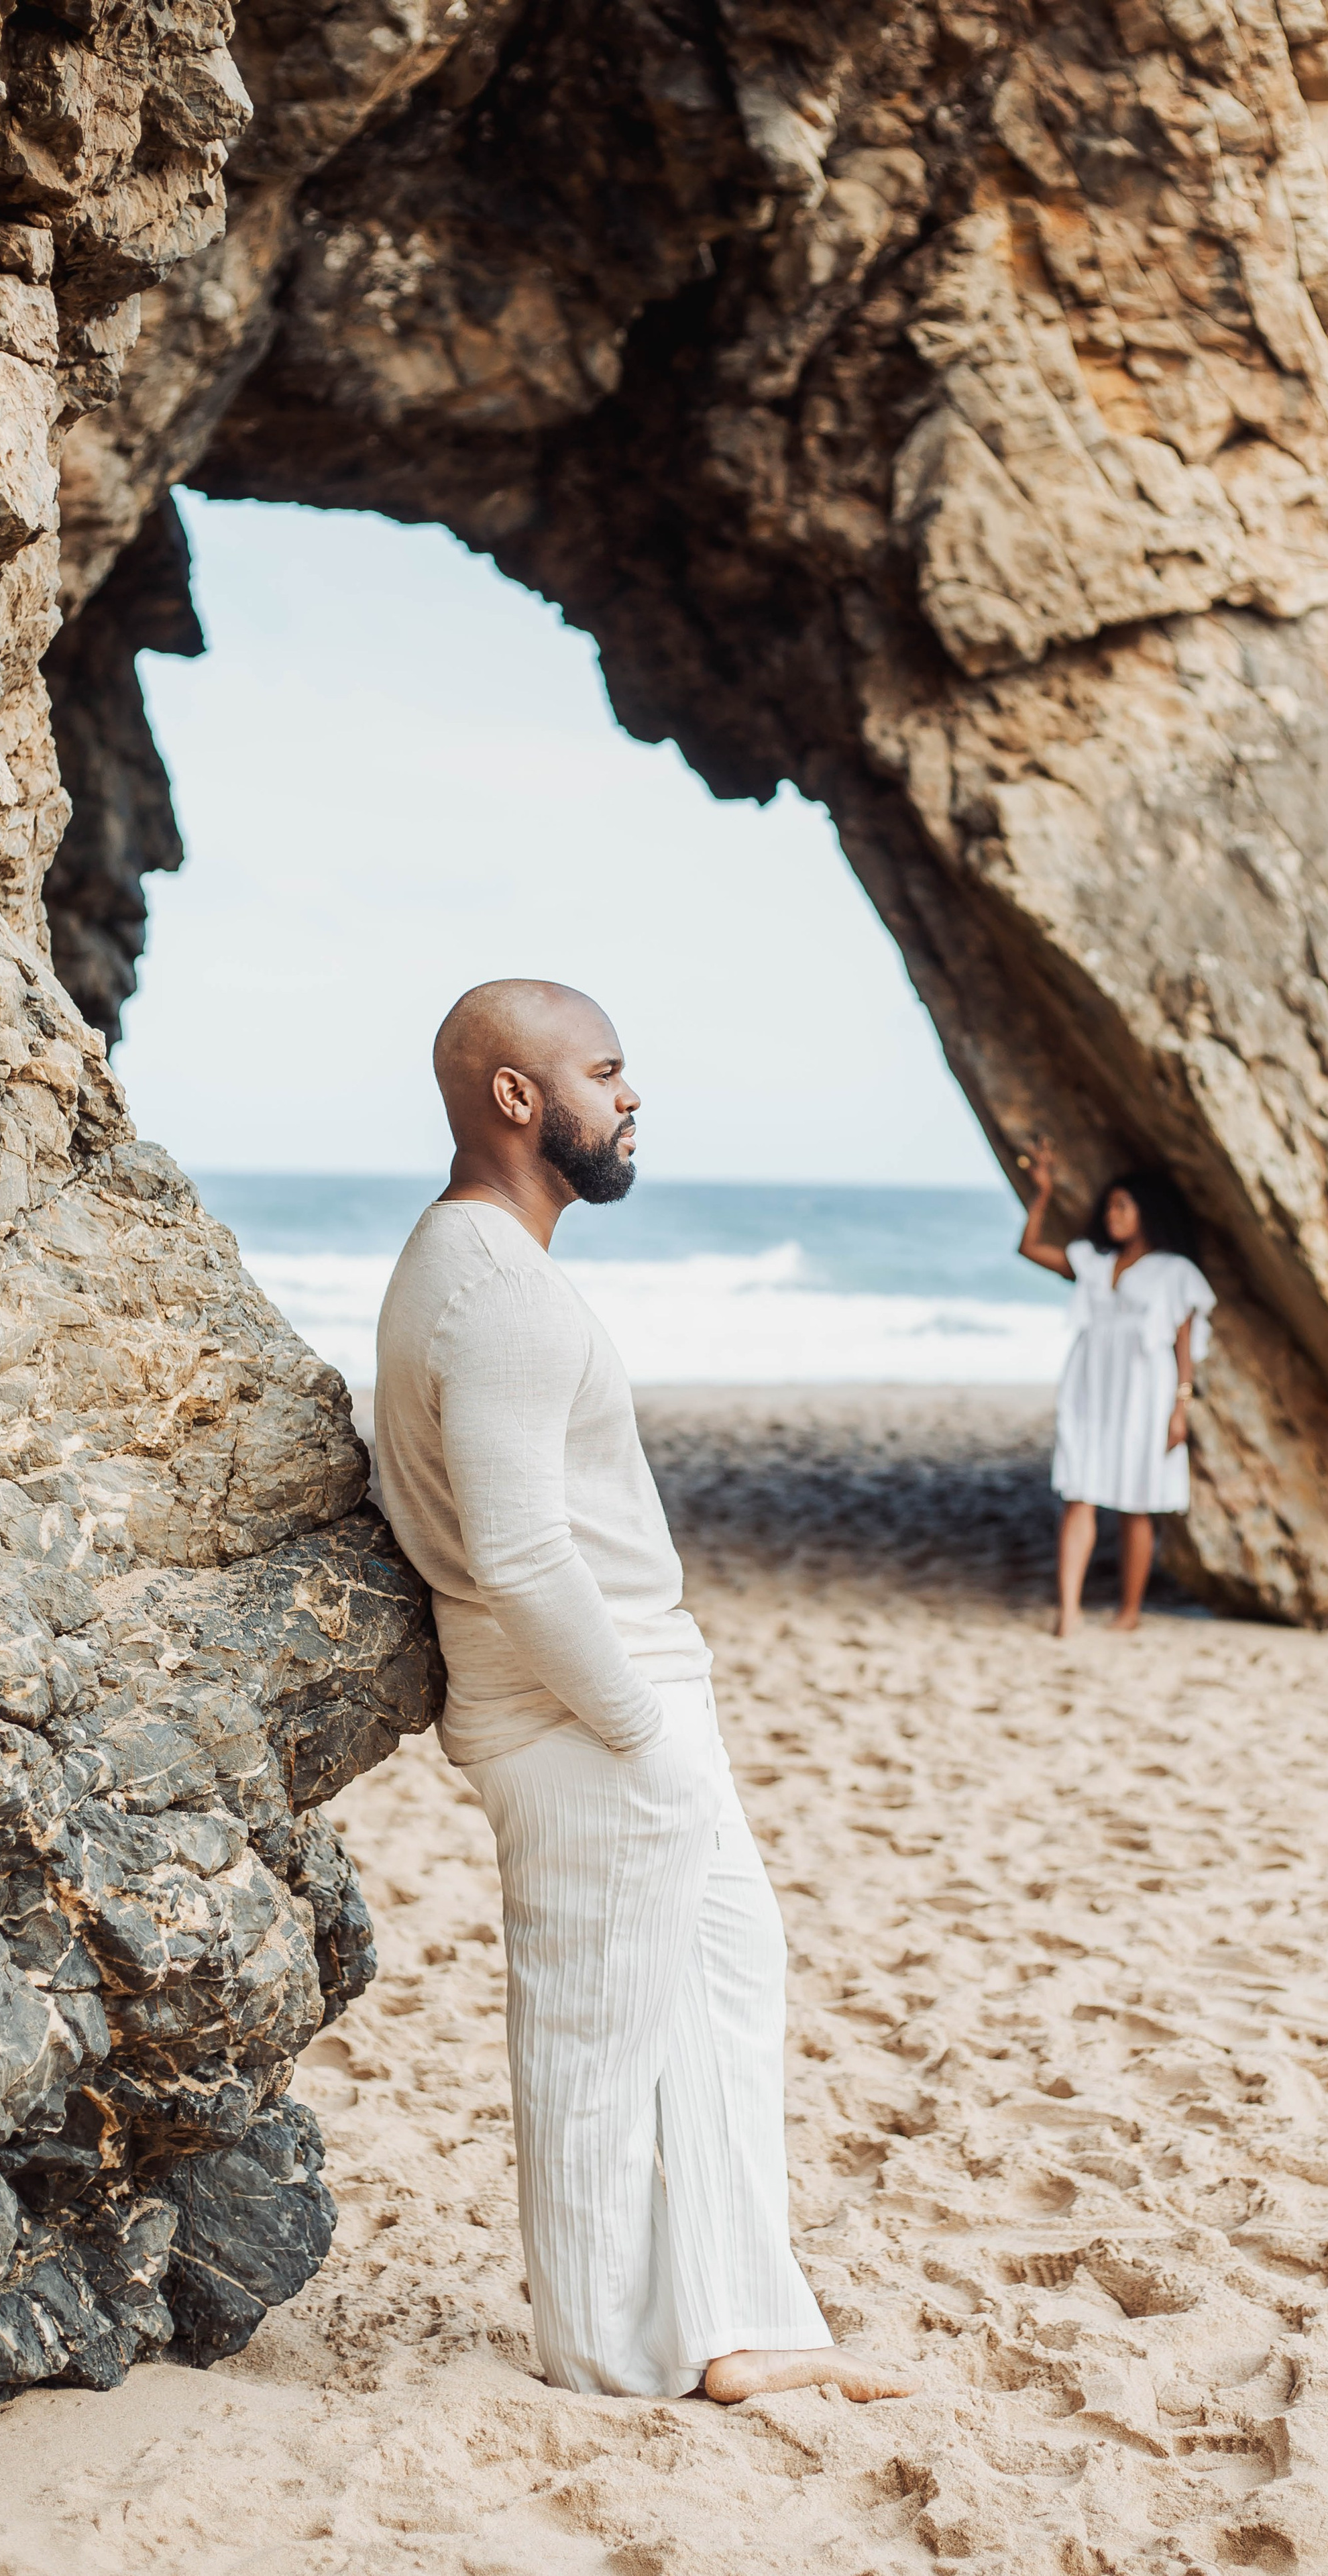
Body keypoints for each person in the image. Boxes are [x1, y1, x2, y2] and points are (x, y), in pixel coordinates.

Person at [374, 978, 920, 2406]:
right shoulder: (496, 1293)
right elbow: (518, 1553)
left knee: (724, 1988)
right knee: (595, 2040)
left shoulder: (480, 1262)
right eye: (604, 1072)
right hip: (584, 1723)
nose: (630, 1098)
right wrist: (639, 1732)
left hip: (619, 1707)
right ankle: (607, 2359)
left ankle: (741, 2326)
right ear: (516, 1097)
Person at [1017, 1142, 1215, 1637]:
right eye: (1109, 1207)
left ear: (1148, 1212)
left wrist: (1180, 1409)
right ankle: (1069, 1611)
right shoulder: (1094, 1262)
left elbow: (1184, 1346)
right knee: (1078, 1491)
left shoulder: (1175, 1272)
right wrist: (1042, 1195)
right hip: (1091, 1386)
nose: (1112, 1215)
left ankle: (1129, 1613)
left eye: (1122, 1206)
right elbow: (1030, 1249)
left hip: (1144, 1391)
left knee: (1136, 1501)